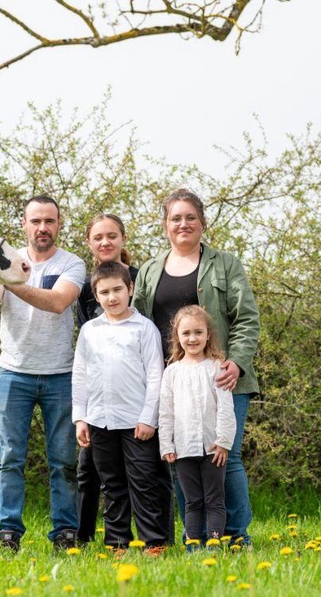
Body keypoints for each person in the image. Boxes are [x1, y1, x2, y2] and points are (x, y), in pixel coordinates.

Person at [133, 188, 260, 545]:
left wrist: (235, 362)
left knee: (226, 457)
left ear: (202, 222)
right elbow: (139, 326)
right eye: (176, 218)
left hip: (222, 379)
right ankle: (197, 537)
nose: (183, 224)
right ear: (165, 225)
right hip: (174, 383)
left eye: (191, 217)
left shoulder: (226, 264)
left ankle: (235, 536)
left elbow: (247, 318)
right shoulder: (148, 271)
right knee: (183, 457)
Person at [0, 196, 86, 553]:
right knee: (10, 458)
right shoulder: (9, 261)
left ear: (59, 224)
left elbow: (57, 302)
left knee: (64, 462)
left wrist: (10, 277)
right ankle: (9, 534)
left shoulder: (73, 263)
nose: (42, 228)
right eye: (35, 221)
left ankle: (65, 533)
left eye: (49, 221)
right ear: (23, 224)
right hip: (13, 373)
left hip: (60, 375)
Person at [72, 261, 173, 555]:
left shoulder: (144, 328)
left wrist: (148, 419)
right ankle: (117, 543)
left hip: (136, 422)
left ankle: (153, 541)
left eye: (118, 290)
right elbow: (80, 374)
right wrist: (80, 418)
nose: (112, 297)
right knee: (112, 485)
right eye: (104, 292)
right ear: (96, 295)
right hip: (100, 420)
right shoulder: (90, 331)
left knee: (143, 482)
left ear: (130, 289)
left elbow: (156, 376)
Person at [75, 214, 140, 544]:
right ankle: (82, 537)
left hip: (135, 395)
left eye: (112, 236)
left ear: (123, 239)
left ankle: (153, 538)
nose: (105, 242)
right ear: (89, 243)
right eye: (98, 237)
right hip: (99, 399)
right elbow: (85, 344)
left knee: (143, 472)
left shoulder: (139, 278)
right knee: (89, 470)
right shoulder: (87, 289)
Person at [158, 305, 236, 547]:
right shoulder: (171, 372)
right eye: (186, 333)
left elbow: (225, 408)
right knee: (192, 501)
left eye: (198, 332)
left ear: (208, 335)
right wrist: (166, 445)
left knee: (215, 499)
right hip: (183, 449)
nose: (192, 338)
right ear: (177, 337)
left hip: (212, 448)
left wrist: (223, 442)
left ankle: (213, 545)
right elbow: (166, 412)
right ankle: (193, 545)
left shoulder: (216, 367)